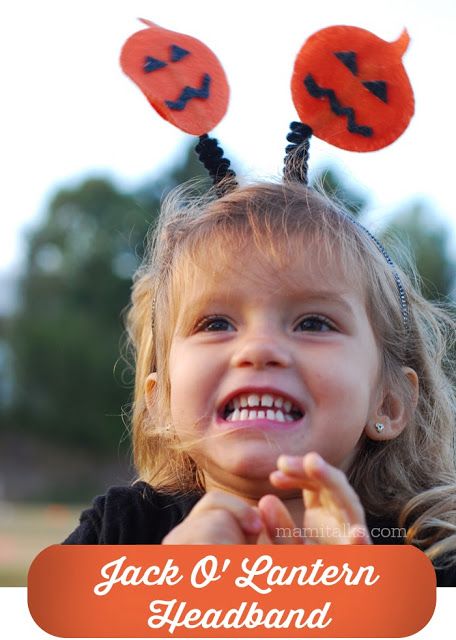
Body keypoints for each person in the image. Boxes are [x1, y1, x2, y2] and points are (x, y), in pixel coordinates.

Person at [63, 177, 456, 586]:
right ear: (160, 402)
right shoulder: (119, 537)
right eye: (215, 323)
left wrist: (357, 604)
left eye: (314, 323)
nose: (260, 348)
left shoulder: (431, 559)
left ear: (389, 403)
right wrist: (165, 590)